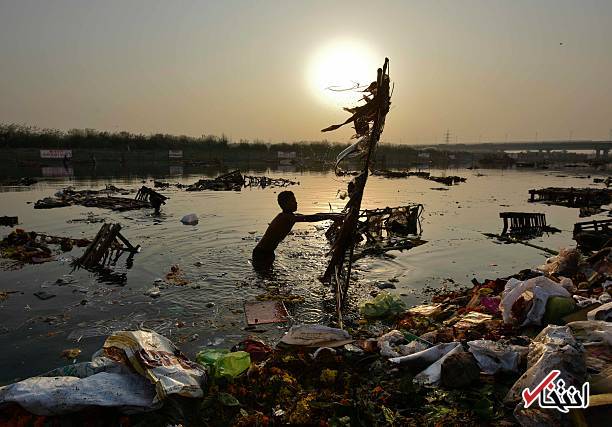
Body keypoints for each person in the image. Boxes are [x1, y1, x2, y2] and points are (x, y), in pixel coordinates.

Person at [252, 191, 342, 271]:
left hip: (268, 252)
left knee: (269, 277)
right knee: (265, 278)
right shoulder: (286, 217)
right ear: (285, 204)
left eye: (295, 200)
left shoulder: (290, 215)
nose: (296, 203)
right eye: (292, 201)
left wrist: (335, 215)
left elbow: (314, 215)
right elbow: (309, 218)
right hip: (261, 253)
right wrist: (331, 217)